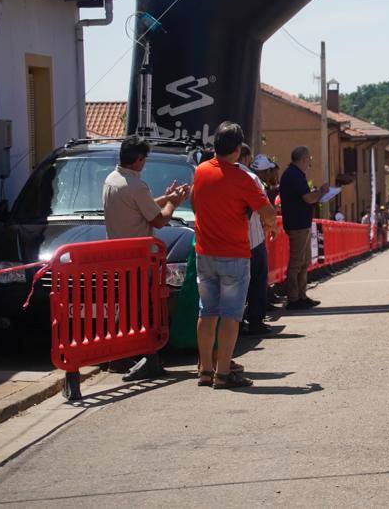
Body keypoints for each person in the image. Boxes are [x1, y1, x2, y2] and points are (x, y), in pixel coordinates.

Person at [192, 122, 277, 389]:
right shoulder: (242, 179)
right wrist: (272, 226)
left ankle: (205, 370)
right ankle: (224, 373)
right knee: (231, 314)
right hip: (234, 255)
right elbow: (267, 212)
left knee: (207, 312)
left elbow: (195, 201)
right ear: (239, 149)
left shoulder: (201, 171)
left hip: (204, 252)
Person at [102, 135, 189, 381]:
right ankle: (145, 358)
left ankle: (118, 355)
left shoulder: (113, 179)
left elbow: (143, 206)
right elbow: (159, 220)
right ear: (139, 159)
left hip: (120, 255)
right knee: (142, 310)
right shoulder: (136, 185)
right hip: (138, 258)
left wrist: (167, 198)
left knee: (128, 308)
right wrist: (173, 202)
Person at [279, 146, 329, 310]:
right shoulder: (294, 175)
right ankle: (294, 298)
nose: (310, 163)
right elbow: (307, 199)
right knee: (296, 263)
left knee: (303, 262)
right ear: (303, 159)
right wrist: (321, 193)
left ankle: (301, 295)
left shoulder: (294, 174)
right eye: (309, 159)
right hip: (297, 224)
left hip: (301, 223)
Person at [237, 144, 272, 337]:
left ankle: (237, 323)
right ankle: (256, 321)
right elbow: (264, 207)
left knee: (238, 286)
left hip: (231, 241)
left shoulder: (215, 175)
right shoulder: (252, 178)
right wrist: (271, 224)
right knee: (257, 282)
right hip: (254, 238)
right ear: (246, 158)